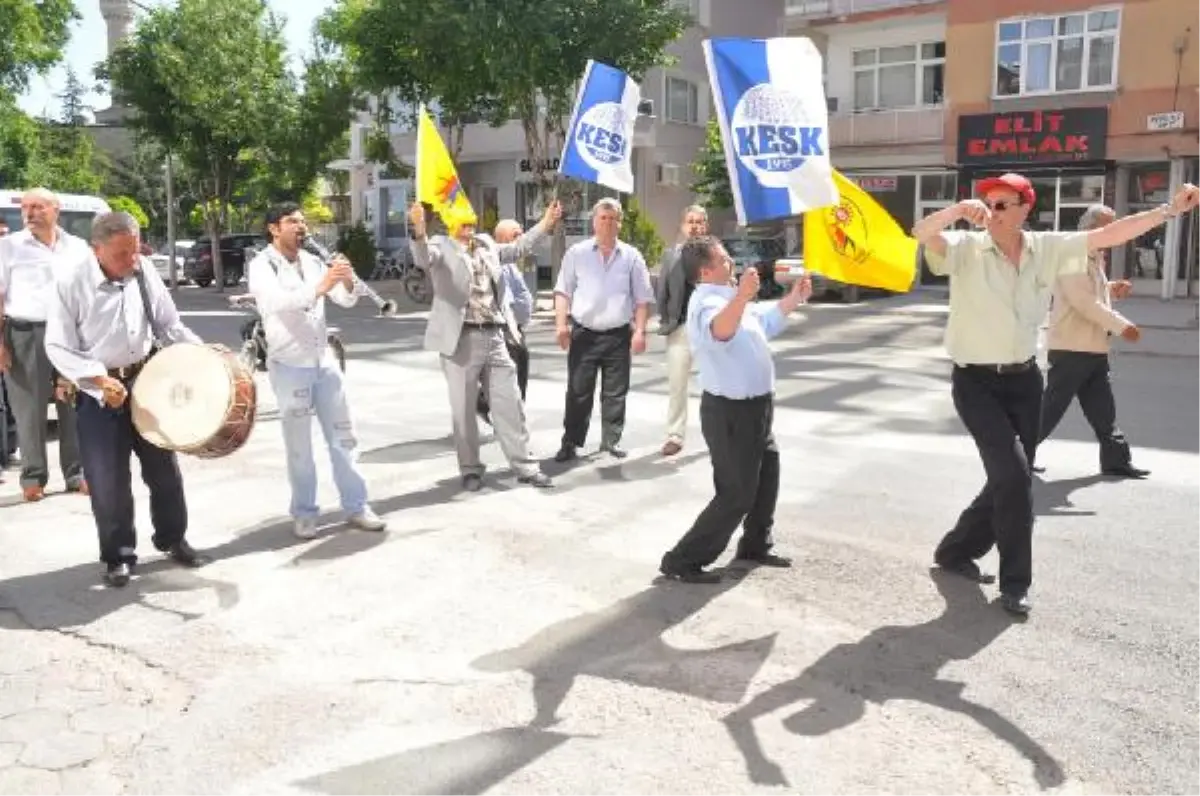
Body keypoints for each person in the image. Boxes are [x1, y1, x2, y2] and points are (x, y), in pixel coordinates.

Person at [914, 173, 1199, 616]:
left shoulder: (1046, 248)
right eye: (988, 203)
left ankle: (954, 551)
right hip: (976, 383)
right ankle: (1015, 583)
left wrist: (1169, 211)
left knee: (1012, 476)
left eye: (1004, 204)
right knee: (1012, 475)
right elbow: (921, 234)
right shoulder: (966, 249)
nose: (993, 211)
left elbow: (1109, 233)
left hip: (1025, 382)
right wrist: (954, 212)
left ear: (1026, 208)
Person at [44, 212, 211, 587]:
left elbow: (169, 325)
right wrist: (98, 378)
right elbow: (57, 345)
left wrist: (204, 355)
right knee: (108, 480)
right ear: (96, 249)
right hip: (98, 393)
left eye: (135, 251)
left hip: (146, 381)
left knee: (164, 470)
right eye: (121, 254)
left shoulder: (144, 271)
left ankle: (172, 538)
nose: (130, 261)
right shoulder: (71, 283)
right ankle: (119, 555)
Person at [659, 236, 812, 583]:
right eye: (725, 259)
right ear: (706, 270)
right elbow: (720, 332)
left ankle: (756, 544)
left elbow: (767, 322)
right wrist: (742, 296)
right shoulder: (706, 303)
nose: (732, 264)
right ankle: (682, 560)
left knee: (767, 477)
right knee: (736, 493)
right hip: (730, 412)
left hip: (757, 408)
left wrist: (793, 299)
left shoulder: (729, 299)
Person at [247, 203, 386, 539]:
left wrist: (348, 281)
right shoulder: (261, 264)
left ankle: (356, 505)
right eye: (292, 221)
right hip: (289, 365)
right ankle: (305, 512)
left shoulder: (312, 261)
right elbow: (276, 303)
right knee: (300, 448)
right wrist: (323, 284)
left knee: (343, 439)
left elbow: (344, 300)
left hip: (324, 362)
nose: (301, 226)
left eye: (302, 221)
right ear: (274, 229)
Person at [409, 200, 561, 492]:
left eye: (471, 224)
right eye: (462, 225)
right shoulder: (440, 246)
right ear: (451, 225)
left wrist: (546, 222)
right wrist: (418, 228)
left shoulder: (487, 244)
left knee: (511, 403)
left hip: (494, 334)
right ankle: (470, 469)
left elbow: (518, 248)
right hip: (460, 340)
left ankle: (525, 466)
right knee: (464, 411)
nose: (468, 230)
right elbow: (422, 256)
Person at [1033, 204, 1148, 479]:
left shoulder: (1094, 254)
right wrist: (1122, 326)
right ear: (1090, 227)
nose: (1113, 232)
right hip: (1072, 347)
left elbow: (1090, 293)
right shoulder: (1073, 254)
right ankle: (1016, 455)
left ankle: (1116, 461)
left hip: (1093, 347)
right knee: (1051, 409)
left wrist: (1111, 289)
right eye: (1107, 226)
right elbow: (1082, 301)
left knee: (1103, 410)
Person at [0, 188, 88, 501]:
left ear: (55, 209)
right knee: (29, 409)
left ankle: (76, 474)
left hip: (70, 335)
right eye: (25, 207)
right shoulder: (8, 247)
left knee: (74, 405)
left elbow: (88, 293)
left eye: (37, 206)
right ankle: (33, 478)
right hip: (25, 333)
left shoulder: (78, 248)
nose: (30, 212)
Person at [553, 198, 654, 462]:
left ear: (620, 223)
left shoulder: (632, 256)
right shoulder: (577, 253)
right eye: (603, 218)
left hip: (618, 334)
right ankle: (571, 442)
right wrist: (561, 325)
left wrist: (640, 331)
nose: (608, 223)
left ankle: (611, 441)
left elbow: (642, 298)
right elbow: (563, 290)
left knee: (616, 392)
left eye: (613, 219)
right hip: (584, 333)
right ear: (594, 221)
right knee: (578, 390)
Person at [656, 205, 708, 457]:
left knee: (716, 383)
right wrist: (666, 319)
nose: (695, 225)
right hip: (681, 328)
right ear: (682, 226)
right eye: (691, 221)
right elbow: (662, 290)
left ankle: (721, 432)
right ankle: (675, 436)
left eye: (700, 221)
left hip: (711, 328)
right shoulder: (671, 255)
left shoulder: (716, 255)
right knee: (678, 384)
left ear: (706, 226)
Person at [476, 219, 535, 424]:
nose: (520, 238)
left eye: (521, 233)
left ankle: (486, 404)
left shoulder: (513, 266)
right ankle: (508, 415)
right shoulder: (497, 264)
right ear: (501, 240)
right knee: (510, 373)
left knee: (520, 368)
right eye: (515, 235)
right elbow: (503, 300)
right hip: (503, 329)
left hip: (516, 328)